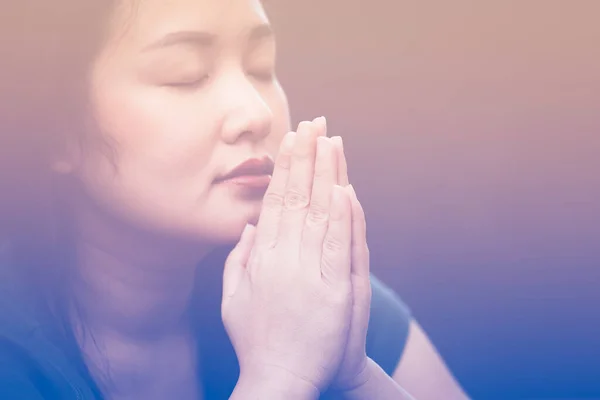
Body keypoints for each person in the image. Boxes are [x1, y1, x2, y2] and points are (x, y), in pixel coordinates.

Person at [0, 0, 469, 399]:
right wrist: (280, 378)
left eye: (261, 68)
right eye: (187, 76)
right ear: (56, 131)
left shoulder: (301, 294)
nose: (256, 112)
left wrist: (355, 375)